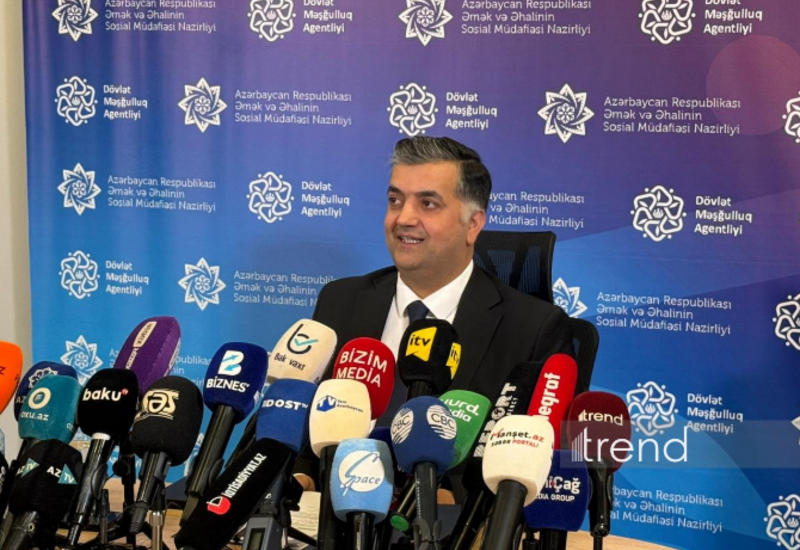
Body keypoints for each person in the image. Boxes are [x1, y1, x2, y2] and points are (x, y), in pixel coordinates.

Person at [294, 136, 575, 501]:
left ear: (472, 224)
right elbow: (309, 429)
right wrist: (300, 477)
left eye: (427, 203)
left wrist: (450, 500)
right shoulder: (341, 300)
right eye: (395, 201)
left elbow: (547, 466)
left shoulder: (534, 328)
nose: (404, 218)